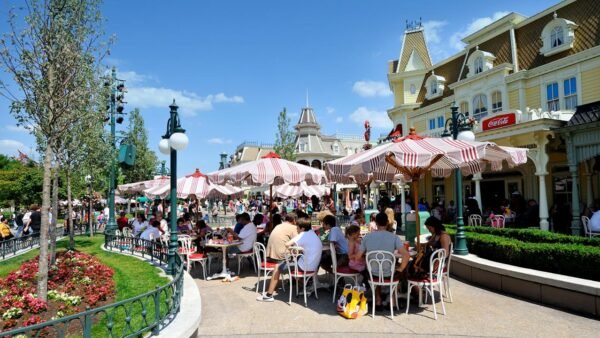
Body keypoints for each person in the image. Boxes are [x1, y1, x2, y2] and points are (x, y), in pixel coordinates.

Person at [257, 217, 322, 302]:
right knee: (294, 260)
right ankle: (303, 284)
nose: (297, 230)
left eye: (297, 228)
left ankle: (269, 295)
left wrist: (294, 248)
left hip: (304, 267)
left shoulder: (303, 234)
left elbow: (287, 244)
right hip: (313, 268)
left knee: (277, 266)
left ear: (302, 228)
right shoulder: (313, 234)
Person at [357, 213, 410, 311]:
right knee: (397, 271)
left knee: (375, 270)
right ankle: (393, 302)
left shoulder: (367, 237)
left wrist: (368, 258)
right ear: (387, 223)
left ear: (376, 223)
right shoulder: (394, 237)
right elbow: (406, 255)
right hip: (389, 273)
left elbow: (358, 256)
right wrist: (400, 269)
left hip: (372, 273)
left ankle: (378, 300)